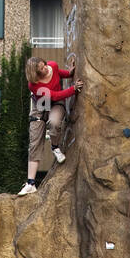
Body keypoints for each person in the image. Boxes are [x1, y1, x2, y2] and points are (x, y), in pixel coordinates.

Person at [18, 56, 82, 196]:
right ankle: (30, 183)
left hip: (55, 105)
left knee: (53, 123)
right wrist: (73, 89)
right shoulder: (33, 85)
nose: (46, 68)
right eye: (41, 69)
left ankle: (55, 147)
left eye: (44, 65)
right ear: (35, 74)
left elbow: (60, 73)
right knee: (34, 142)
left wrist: (70, 73)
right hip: (41, 104)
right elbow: (54, 95)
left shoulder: (52, 65)